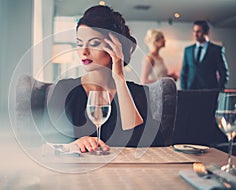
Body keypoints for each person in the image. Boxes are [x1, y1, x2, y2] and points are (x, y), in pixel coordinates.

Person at [46, 5, 163, 153]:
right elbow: (46, 142)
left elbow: (145, 145)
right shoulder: (65, 89)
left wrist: (119, 77)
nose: (84, 51)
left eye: (94, 43)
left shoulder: (138, 93)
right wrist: (75, 144)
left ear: (115, 47)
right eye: (79, 43)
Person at [180, 20, 229, 90]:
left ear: (206, 32)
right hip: (190, 91)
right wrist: (183, 89)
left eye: (198, 31)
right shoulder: (188, 50)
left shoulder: (216, 50)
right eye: (194, 31)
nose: (195, 34)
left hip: (209, 91)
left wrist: (218, 90)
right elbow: (184, 72)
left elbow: (224, 73)